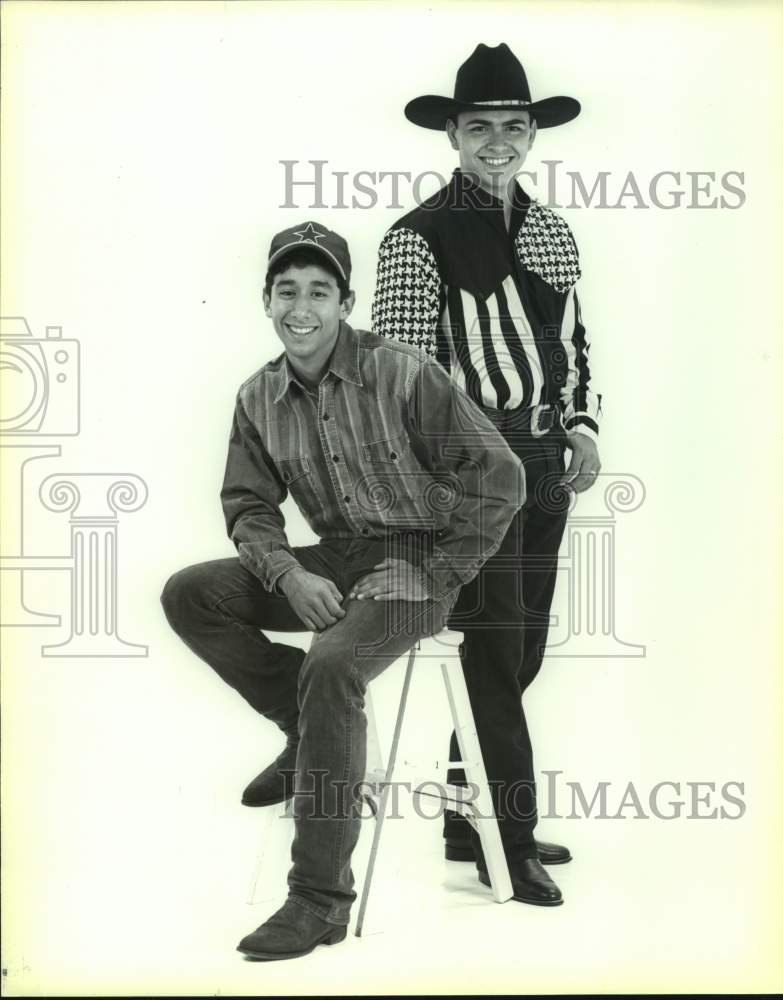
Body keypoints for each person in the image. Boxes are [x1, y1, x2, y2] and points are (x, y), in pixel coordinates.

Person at [160, 220, 525, 960]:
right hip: (332, 554)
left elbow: (502, 477)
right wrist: (289, 574)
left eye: (319, 291)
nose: (302, 307)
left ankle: (319, 900)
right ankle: (307, 730)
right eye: (286, 290)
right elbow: (250, 506)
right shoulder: (257, 396)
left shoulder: (401, 370)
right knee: (191, 592)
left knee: (333, 664)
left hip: (414, 561)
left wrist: (436, 571)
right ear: (266, 300)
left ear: (345, 301)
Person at [372, 42, 603, 906]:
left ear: (532, 135)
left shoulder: (548, 228)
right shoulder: (416, 238)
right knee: (493, 651)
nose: (497, 142)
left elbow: (573, 342)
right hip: (474, 470)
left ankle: (466, 816)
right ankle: (507, 839)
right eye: (480, 128)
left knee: (522, 649)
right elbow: (396, 377)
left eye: (513, 127)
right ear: (454, 137)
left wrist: (578, 423)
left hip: (544, 459)